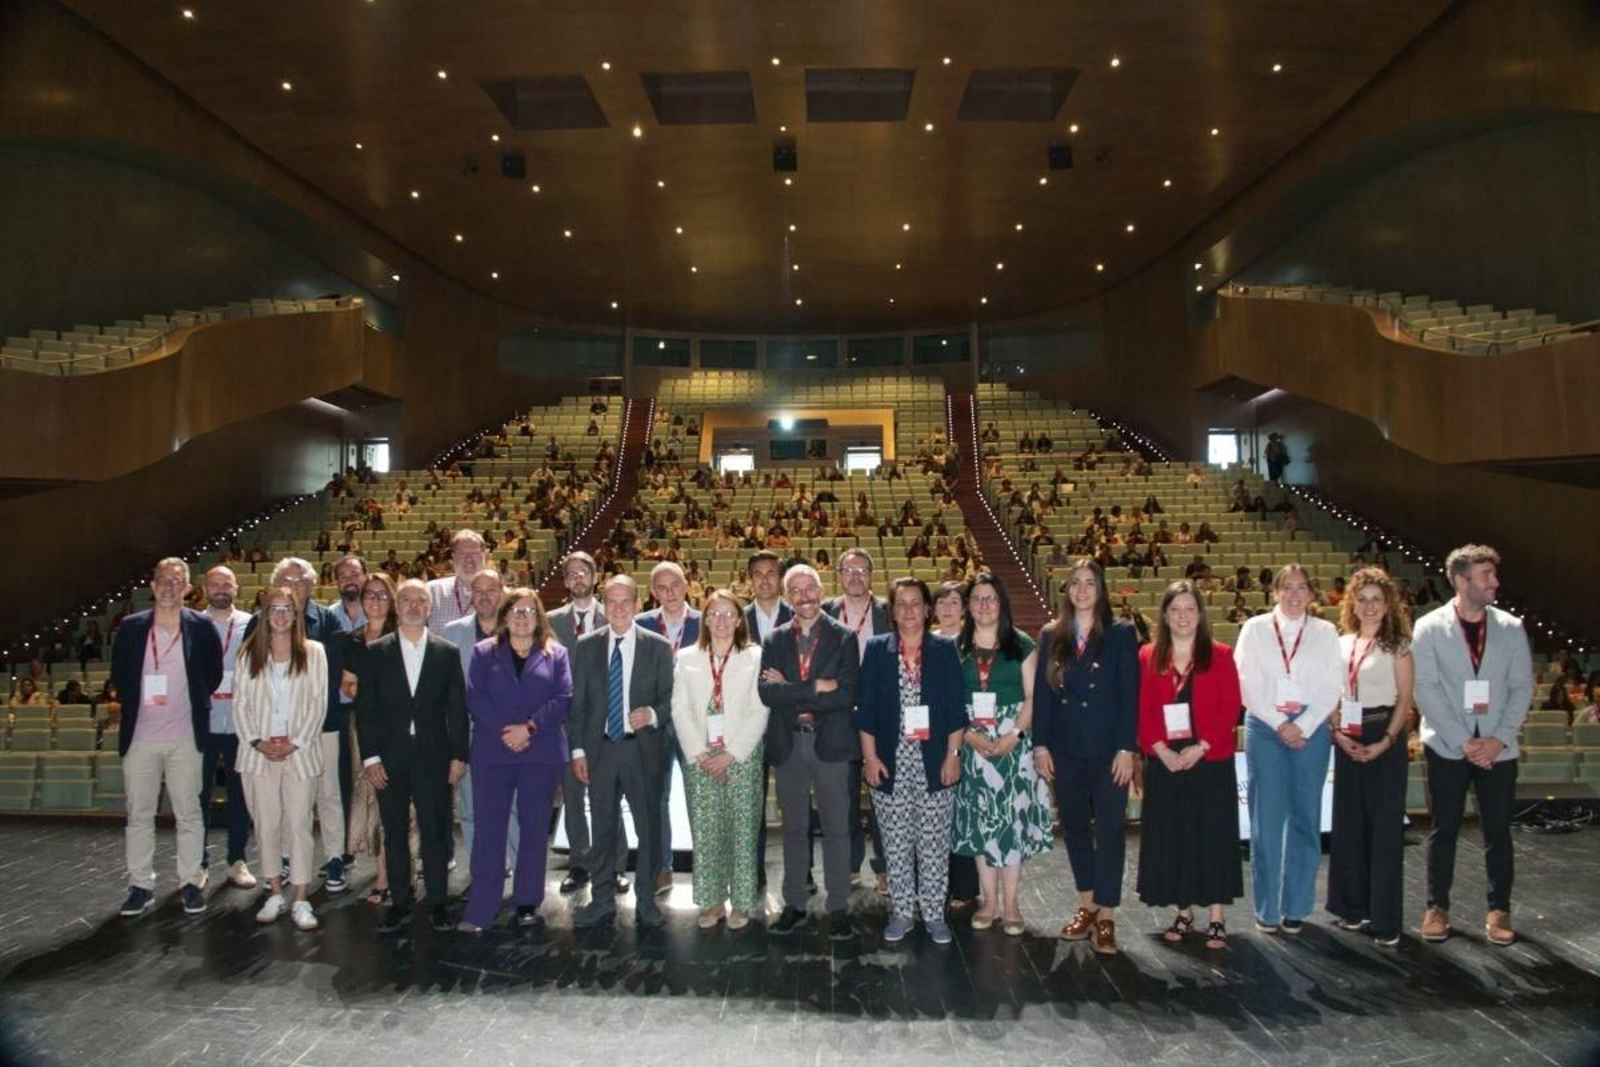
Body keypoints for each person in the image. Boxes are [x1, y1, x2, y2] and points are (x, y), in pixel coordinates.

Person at [1411, 545, 1533, 946]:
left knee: (1498, 831)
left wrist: (1497, 739)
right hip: (1448, 747)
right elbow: (1425, 691)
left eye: (1494, 575)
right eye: (1486, 575)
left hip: (1499, 749)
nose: (1495, 582)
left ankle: (1499, 909)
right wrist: (1465, 742)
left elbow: (1521, 688)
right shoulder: (1428, 627)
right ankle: (1436, 907)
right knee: (1443, 830)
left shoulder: (1512, 628)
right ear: (1461, 581)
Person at [1031, 559, 1139, 954]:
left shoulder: (1122, 633)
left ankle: (1107, 915)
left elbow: (1130, 696)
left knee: (1110, 831)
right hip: (1065, 752)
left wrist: (1128, 749)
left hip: (1110, 752)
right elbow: (1043, 695)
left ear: (1101, 589)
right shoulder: (1051, 635)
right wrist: (1040, 745)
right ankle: (1087, 905)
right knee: (1075, 829)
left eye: (1089, 582)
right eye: (1074, 583)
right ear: (1066, 590)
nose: (1081, 589)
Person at [110, 558, 225, 918]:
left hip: (185, 738)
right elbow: (119, 675)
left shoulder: (202, 626)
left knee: (189, 813)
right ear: (153, 584)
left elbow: (214, 674)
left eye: (177, 581)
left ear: (188, 588)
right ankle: (140, 885)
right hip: (141, 737)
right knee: (139, 815)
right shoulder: (131, 628)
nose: (169, 587)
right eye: (163, 580)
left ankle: (191, 882)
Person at [355, 579, 469, 935]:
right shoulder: (376, 652)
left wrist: (458, 756)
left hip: (435, 757)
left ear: (429, 608)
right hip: (390, 759)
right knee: (394, 832)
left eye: (421, 600)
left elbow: (457, 710)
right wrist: (370, 758)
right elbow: (366, 710)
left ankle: (437, 903)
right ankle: (400, 902)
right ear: (396, 605)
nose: (414, 606)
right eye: (407, 600)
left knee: (435, 832)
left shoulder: (447, 652)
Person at [855, 578, 965, 944]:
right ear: (892, 611)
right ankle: (902, 912)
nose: (908, 611)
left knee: (934, 842)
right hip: (890, 763)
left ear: (927, 608)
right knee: (896, 841)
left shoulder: (945, 650)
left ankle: (934, 914)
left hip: (935, 762)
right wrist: (870, 758)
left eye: (915, 603)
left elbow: (955, 711)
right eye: (900, 604)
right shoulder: (876, 650)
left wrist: (953, 755)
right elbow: (866, 712)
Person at [1135, 580, 1243, 951]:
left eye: (1190, 609)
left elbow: (1230, 706)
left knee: (1212, 837)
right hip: (1165, 760)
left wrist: (1201, 746)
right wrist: (1160, 750)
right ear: (1165, 614)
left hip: (1209, 759)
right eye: (1175, 609)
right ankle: (1183, 912)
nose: (1182, 616)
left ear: (1200, 614)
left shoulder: (1221, 654)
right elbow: (1142, 708)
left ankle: (1216, 916)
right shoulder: (1148, 656)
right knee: (1176, 838)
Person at [458, 588, 572, 933]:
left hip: (541, 752)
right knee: (489, 831)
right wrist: (508, 733)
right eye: (516, 611)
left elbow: (564, 698)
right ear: (504, 617)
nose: (522, 617)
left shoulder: (557, 654)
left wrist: (529, 728)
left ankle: (527, 902)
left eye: (529, 611)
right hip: (493, 751)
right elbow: (475, 698)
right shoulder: (483, 653)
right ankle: (483, 906)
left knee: (535, 830)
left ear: (539, 618)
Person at [1236, 564, 1342, 935]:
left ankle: (1296, 906)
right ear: (1275, 592)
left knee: (1305, 819)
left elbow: (1333, 685)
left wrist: (1304, 725)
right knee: (1266, 821)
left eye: (1302, 587)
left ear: (1312, 593)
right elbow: (1245, 682)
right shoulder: (1254, 629)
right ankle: (1266, 908)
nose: (1295, 594)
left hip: (1310, 729)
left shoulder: (1326, 632)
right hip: (1265, 728)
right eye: (1287, 587)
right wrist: (1280, 724)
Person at [759, 564, 861, 941]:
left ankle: (838, 908)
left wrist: (794, 688)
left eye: (810, 589)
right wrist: (817, 685)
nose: (804, 597)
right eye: (796, 591)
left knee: (837, 829)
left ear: (822, 590)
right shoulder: (773, 640)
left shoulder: (844, 637)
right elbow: (768, 693)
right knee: (794, 830)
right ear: (788, 598)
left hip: (831, 743)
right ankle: (795, 904)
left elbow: (848, 694)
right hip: (789, 744)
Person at [568, 575, 675, 929]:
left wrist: (654, 715)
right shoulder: (586, 646)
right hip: (600, 751)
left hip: (641, 750)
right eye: (611, 602)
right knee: (602, 829)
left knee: (648, 827)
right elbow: (578, 706)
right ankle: (601, 900)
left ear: (637, 604)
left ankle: (646, 898)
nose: (617, 608)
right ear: (604, 605)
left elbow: (671, 699)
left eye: (624, 601)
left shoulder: (657, 646)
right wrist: (579, 750)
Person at [953, 573, 1052, 935]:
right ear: (968, 606)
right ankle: (988, 900)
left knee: (1010, 823)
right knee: (981, 824)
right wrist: (967, 734)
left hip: (1014, 742)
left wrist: (1015, 734)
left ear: (1002, 604)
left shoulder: (1021, 644)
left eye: (991, 598)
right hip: (973, 743)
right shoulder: (957, 647)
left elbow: (1033, 697)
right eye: (977, 598)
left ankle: (1011, 902)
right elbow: (948, 700)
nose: (983, 605)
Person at [232, 586, 329, 930]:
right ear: (263, 613)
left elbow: (318, 704)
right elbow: (240, 704)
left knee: (299, 827)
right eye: (274, 608)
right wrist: (258, 741)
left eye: (287, 608)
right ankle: (274, 891)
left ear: (297, 613)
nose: (281, 614)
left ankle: (301, 899)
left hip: (300, 754)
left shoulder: (314, 652)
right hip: (257, 756)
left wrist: (294, 742)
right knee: (267, 826)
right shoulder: (247, 654)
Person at [672, 589, 768, 930]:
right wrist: (700, 753)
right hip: (700, 759)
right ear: (705, 619)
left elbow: (760, 709)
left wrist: (730, 754)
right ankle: (712, 901)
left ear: (740, 619)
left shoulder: (755, 656)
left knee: (743, 831)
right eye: (715, 614)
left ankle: (742, 902)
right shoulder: (687, 657)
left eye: (729, 614)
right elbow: (679, 709)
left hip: (742, 756)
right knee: (707, 832)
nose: (722, 620)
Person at [1328, 567, 1413, 947]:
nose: (1369, 606)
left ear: (1388, 604)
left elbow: (1406, 700)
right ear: (1352, 603)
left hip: (1384, 738)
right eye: (1362, 599)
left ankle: (1385, 919)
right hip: (1347, 737)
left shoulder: (1399, 646)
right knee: (1350, 826)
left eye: (1377, 599)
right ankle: (1353, 907)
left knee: (1383, 830)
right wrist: (1337, 733)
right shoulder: (1341, 644)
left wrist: (1388, 741)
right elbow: (1331, 693)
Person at [547, 552, 629, 896]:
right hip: (567, 724)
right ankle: (580, 864)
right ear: (565, 581)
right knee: (573, 796)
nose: (578, 578)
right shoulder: (549, 621)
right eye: (571, 574)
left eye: (584, 572)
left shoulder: (613, 613)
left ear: (595, 577)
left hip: (606, 721)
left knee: (608, 796)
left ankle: (615, 866)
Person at [443, 568, 518, 876]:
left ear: (503, 593)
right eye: (478, 591)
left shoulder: (521, 629)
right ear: (469, 596)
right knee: (472, 810)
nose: (485, 596)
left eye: (492, 590)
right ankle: (483, 870)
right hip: (468, 735)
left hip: (510, 735)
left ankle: (517, 874)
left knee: (512, 809)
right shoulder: (451, 633)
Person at [824, 547, 889, 893]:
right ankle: (849, 864)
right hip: (839, 716)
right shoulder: (824, 614)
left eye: (861, 570)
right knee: (843, 796)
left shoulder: (889, 613)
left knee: (883, 794)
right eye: (849, 570)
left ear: (871, 575)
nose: (855, 576)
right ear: (839, 575)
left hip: (881, 717)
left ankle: (885, 866)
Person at [635, 560, 702, 896]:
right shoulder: (641, 624)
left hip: (695, 723)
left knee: (699, 797)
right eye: (661, 587)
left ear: (687, 584)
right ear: (652, 593)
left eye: (675, 584)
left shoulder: (706, 623)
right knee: (655, 798)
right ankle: (662, 866)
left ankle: (707, 866)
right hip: (655, 724)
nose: (669, 592)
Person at [338, 571, 398, 906]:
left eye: (382, 595)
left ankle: (401, 870)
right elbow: (347, 683)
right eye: (370, 595)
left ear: (392, 600)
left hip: (400, 728)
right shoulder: (352, 640)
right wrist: (371, 691)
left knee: (402, 803)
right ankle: (382, 874)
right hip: (365, 727)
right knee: (373, 798)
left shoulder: (403, 635)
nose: (375, 601)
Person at [197, 565, 257, 888]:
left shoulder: (251, 623)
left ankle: (237, 860)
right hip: (203, 722)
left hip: (239, 723)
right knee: (198, 795)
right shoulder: (192, 623)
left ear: (236, 588)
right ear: (205, 588)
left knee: (240, 795)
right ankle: (198, 864)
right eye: (214, 583)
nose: (221, 588)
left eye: (227, 583)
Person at [931, 578, 980, 911]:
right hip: (931, 739)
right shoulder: (924, 642)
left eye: (954, 603)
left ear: (964, 609)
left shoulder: (975, 643)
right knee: (936, 818)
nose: (947, 609)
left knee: (964, 815)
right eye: (942, 603)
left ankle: (964, 887)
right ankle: (936, 884)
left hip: (971, 739)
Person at [426, 529, 487, 634]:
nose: (469, 559)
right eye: (462, 553)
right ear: (453, 557)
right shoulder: (431, 591)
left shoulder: (503, 596)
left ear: (485, 556)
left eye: (474, 553)